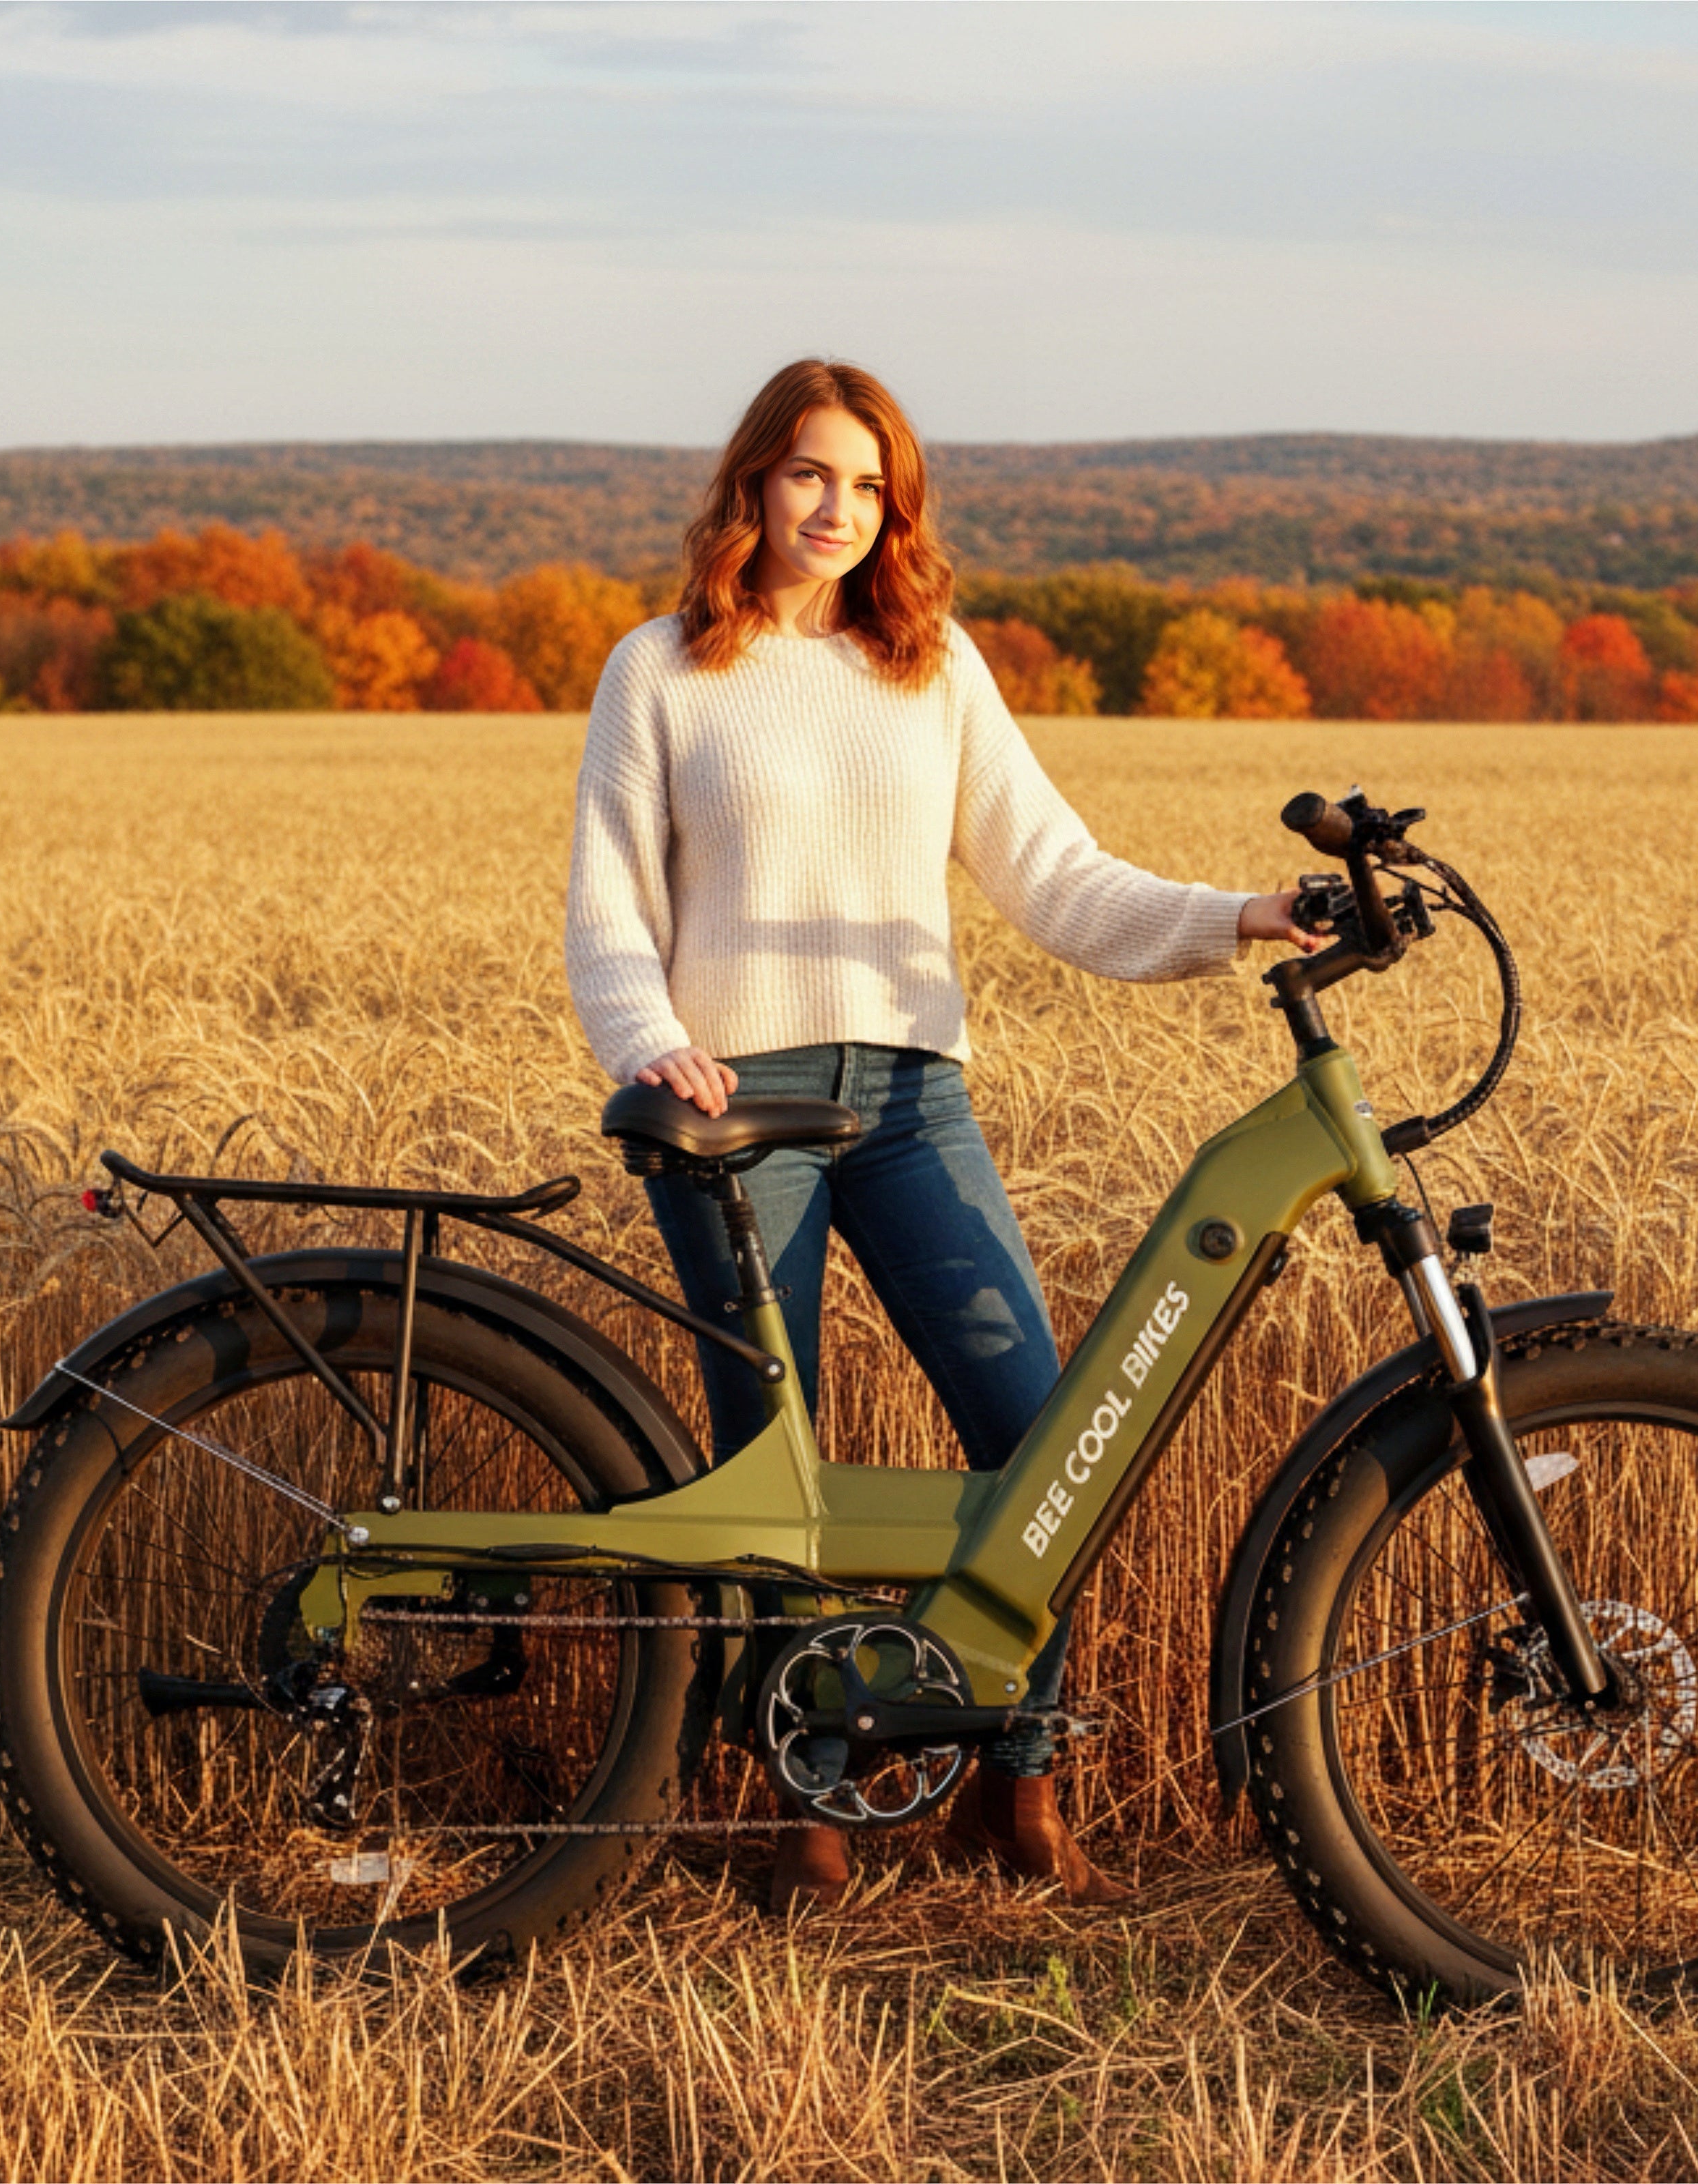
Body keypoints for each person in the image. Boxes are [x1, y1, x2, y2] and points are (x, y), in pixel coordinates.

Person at [563, 358, 1319, 1913]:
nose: (836, 509)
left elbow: (1059, 877)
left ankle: (1013, 1789)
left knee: (1042, 1438)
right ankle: (807, 1818)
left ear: (894, 505)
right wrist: (656, 1047)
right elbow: (609, 910)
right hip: (735, 1107)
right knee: (779, 1474)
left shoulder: (935, 666)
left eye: (867, 484)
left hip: (912, 1098)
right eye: (807, 476)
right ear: (753, 486)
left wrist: (1242, 913)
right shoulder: (662, 669)